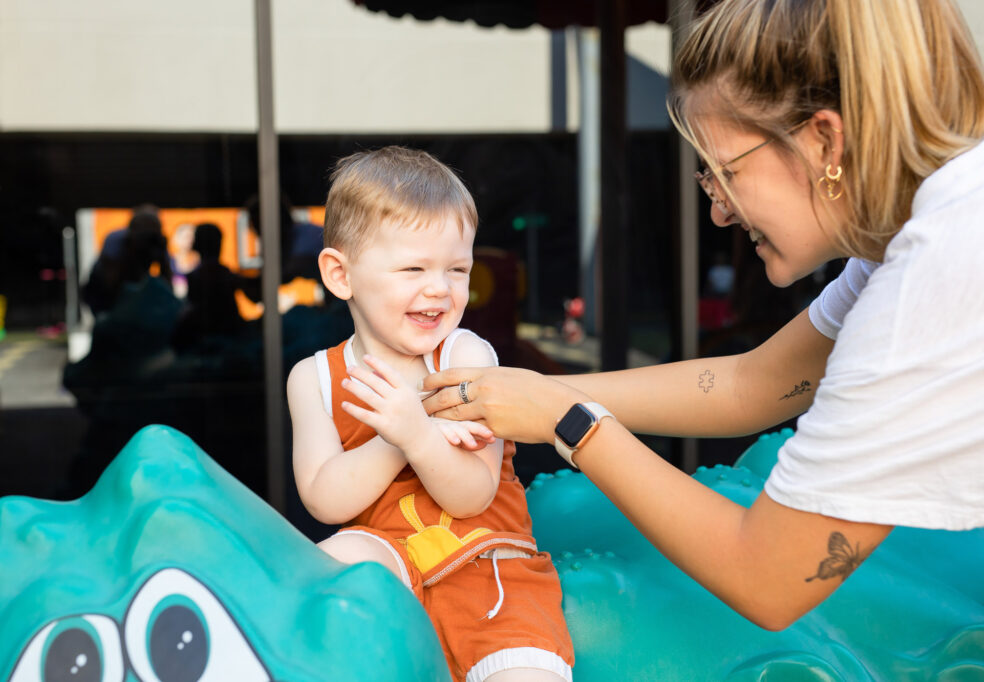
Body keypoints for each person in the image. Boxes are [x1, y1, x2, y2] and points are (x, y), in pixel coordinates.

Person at [423, 0, 984, 632]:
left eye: (725, 173)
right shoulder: (919, 231)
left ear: (825, 140)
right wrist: (531, 394)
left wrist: (565, 420)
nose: (718, 213)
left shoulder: (936, 269)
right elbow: (755, 384)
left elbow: (768, 578)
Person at [286, 146, 574, 682]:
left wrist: (415, 432)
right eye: (414, 267)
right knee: (336, 558)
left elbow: (472, 495)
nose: (439, 288)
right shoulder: (313, 378)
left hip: (487, 571)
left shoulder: (464, 357)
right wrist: (401, 435)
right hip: (390, 569)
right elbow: (326, 499)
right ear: (340, 274)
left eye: (457, 269)